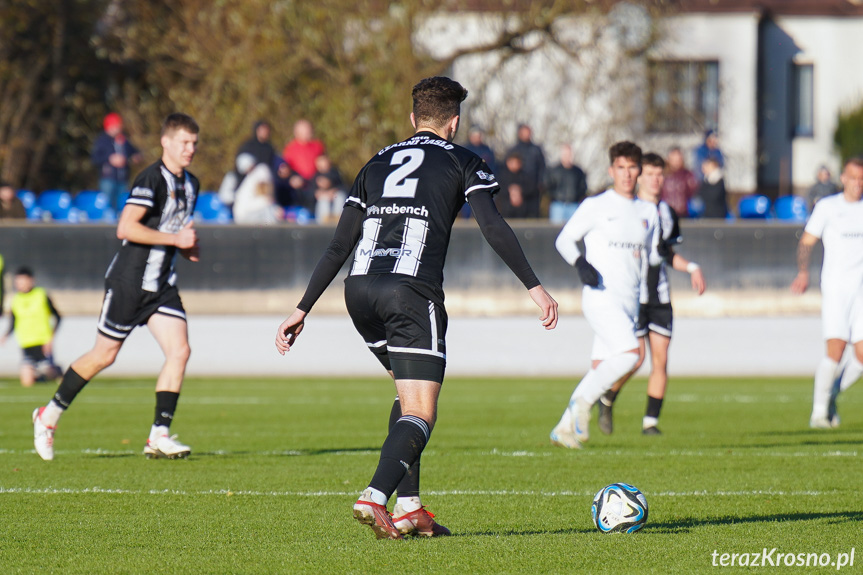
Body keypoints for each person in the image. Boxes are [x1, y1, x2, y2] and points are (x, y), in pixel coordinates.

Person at [274, 76, 558, 539]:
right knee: (422, 411)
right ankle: (374, 495)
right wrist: (536, 287)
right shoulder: (465, 160)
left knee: (406, 394)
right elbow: (493, 226)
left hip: (359, 291)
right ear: (454, 122)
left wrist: (302, 308)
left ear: (412, 119)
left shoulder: (375, 162)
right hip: (410, 292)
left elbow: (340, 242)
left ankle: (409, 508)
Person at [32, 113, 201, 462]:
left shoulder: (192, 184)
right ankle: (48, 415)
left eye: (194, 143)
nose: (190, 149)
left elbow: (176, 231)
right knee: (104, 355)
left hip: (162, 285)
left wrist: (187, 246)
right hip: (129, 281)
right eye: (184, 142)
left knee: (180, 351)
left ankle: (159, 434)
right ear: (165, 142)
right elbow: (125, 228)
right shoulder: (151, 179)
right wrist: (174, 238)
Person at [549, 141, 661, 449]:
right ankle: (583, 404)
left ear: (639, 172)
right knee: (631, 355)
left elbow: (648, 259)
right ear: (612, 170)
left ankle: (563, 429)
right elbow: (564, 240)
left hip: (629, 303)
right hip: (600, 297)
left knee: (601, 367)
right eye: (621, 168)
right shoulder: (596, 205)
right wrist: (580, 263)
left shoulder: (649, 211)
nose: (626, 174)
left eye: (632, 168)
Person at [596, 153, 706, 436]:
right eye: (651, 174)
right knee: (635, 357)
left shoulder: (667, 213)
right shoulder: (628, 209)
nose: (656, 180)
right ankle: (607, 396)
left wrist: (692, 267)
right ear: (639, 177)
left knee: (661, 359)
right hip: (633, 295)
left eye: (661, 175)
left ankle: (650, 423)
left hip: (660, 296)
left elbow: (666, 254)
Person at [791, 156, 863, 429]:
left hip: (861, 291)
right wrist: (803, 272)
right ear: (842, 178)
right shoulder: (828, 207)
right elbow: (807, 241)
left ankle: (832, 393)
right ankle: (818, 413)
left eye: (861, 179)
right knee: (836, 349)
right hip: (836, 288)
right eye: (853, 178)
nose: (857, 184)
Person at [1, 267, 62, 387]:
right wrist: (6, 335)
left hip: (42, 342)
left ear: (31, 280)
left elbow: (58, 317)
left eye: (23, 281)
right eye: (18, 282)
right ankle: (39, 376)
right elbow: (14, 321)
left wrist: (51, 338)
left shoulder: (41, 295)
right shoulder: (16, 300)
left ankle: (57, 372)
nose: (20, 285)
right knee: (26, 382)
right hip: (26, 343)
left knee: (50, 372)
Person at [91, 112, 142, 211]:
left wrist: (135, 157)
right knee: (108, 205)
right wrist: (110, 159)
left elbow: (134, 152)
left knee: (121, 205)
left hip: (123, 178)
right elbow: (95, 158)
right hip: (108, 179)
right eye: (115, 125)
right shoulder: (102, 140)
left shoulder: (124, 140)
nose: (118, 128)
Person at [232, 153, 283, 225]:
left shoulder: (252, 175)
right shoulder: (261, 170)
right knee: (270, 212)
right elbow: (265, 197)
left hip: (242, 215)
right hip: (245, 216)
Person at [545, 144, 587, 224]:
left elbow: (583, 187)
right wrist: (555, 196)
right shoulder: (554, 171)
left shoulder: (578, 172)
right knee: (555, 232)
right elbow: (548, 186)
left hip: (573, 205)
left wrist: (576, 196)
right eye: (565, 154)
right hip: (557, 205)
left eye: (569, 154)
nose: (567, 157)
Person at [496, 152, 539, 218]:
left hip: (523, 210)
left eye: (517, 163)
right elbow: (498, 190)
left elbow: (532, 188)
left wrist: (520, 191)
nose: (515, 165)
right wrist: (511, 191)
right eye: (513, 162)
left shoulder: (525, 175)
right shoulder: (502, 175)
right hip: (506, 209)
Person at [660, 147, 699, 218]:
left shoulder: (687, 175)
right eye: (674, 159)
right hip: (666, 213)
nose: (676, 162)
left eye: (678, 159)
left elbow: (693, 192)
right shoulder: (663, 175)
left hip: (682, 213)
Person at [311, 155, 347, 223]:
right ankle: (325, 220)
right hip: (322, 202)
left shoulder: (335, 174)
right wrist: (317, 193)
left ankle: (338, 219)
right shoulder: (315, 177)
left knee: (339, 197)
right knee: (323, 199)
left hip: (335, 198)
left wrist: (333, 191)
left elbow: (344, 187)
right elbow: (310, 192)